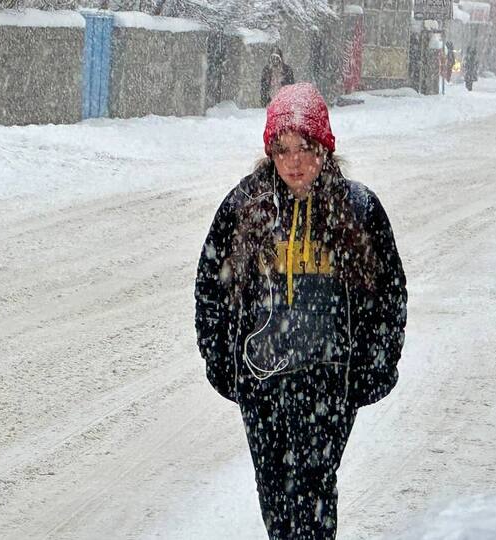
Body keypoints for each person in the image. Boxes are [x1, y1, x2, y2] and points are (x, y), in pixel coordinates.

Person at [194, 83, 408, 539]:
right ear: (270, 152)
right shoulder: (243, 207)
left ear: (325, 149)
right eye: (283, 149)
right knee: (275, 497)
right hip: (262, 383)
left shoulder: (359, 209)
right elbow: (211, 289)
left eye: (305, 148)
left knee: (313, 493)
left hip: (327, 384)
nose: (294, 162)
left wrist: (376, 365)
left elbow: (389, 295)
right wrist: (223, 365)